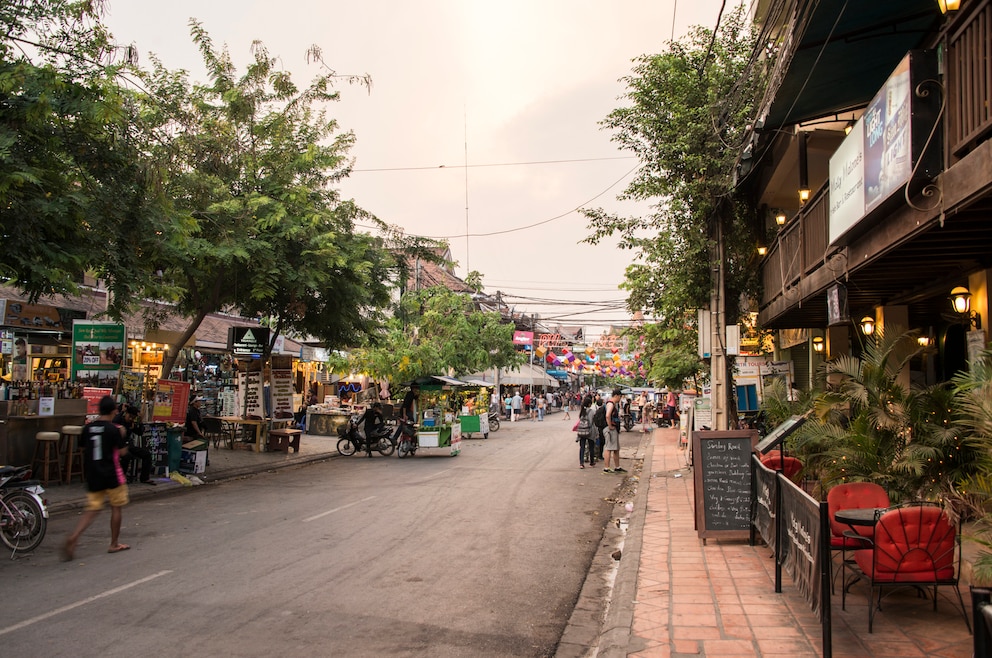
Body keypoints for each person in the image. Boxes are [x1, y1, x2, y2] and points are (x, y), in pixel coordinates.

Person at [61, 395, 130, 560]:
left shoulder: (88, 428)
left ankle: (74, 536)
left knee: (92, 509)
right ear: (114, 411)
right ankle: (114, 543)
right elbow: (122, 452)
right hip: (112, 473)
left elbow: (84, 447)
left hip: (93, 473)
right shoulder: (113, 430)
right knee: (116, 508)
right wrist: (123, 436)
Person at [113, 404, 154, 485]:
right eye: (130, 416)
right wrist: (122, 411)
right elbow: (114, 421)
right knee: (126, 456)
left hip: (129, 446)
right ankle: (121, 477)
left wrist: (140, 421)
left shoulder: (131, 424)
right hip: (118, 446)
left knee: (147, 455)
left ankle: (144, 478)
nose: (131, 419)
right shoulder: (120, 420)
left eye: (133, 417)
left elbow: (140, 432)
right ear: (126, 414)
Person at [603, 389, 625, 474]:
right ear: (616, 395)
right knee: (609, 448)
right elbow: (607, 415)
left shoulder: (612, 404)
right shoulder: (610, 404)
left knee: (616, 448)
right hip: (609, 429)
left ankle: (617, 466)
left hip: (613, 428)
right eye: (620, 397)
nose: (620, 399)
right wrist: (610, 426)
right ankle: (606, 468)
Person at [578, 394, 596, 468]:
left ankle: (581, 463)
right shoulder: (591, 411)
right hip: (589, 431)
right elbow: (592, 422)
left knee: (582, 447)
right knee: (591, 447)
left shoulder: (582, 411)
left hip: (582, 431)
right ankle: (591, 462)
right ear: (589, 404)